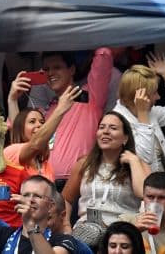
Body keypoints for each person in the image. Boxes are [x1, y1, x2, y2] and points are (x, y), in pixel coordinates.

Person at [39, 49, 117, 184]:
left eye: (57, 67)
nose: (50, 73)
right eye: (46, 69)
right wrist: (13, 99)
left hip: (80, 183)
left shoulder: (89, 97)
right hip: (47, 184)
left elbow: (104, 55)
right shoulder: (48, 109)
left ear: (72, 70)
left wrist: (79, 39)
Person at [63, 111, 148, 228]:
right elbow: (66, 199)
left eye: (113, 128)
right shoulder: (84, 163)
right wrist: (66, 225)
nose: (106, 131)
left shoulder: (138, 164)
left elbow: (145, 194)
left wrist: (134, 162)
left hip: (122, 230)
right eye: (101, 127)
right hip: (88, 229)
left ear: (125, 138)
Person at [113, 54, 165, 173]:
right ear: (140, 95)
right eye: (154, 92)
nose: (158, 97)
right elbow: (145, 159)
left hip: (164, 178)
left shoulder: (151, 112)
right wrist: (142, 115)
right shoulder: (116, 121)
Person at [4, 86, 78, 182]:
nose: (39, 125)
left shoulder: (45, 165)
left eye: (42, 122)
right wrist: (60, 109)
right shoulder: (11, 151)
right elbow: (35, 144)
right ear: (20, 129)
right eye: (32, 121)